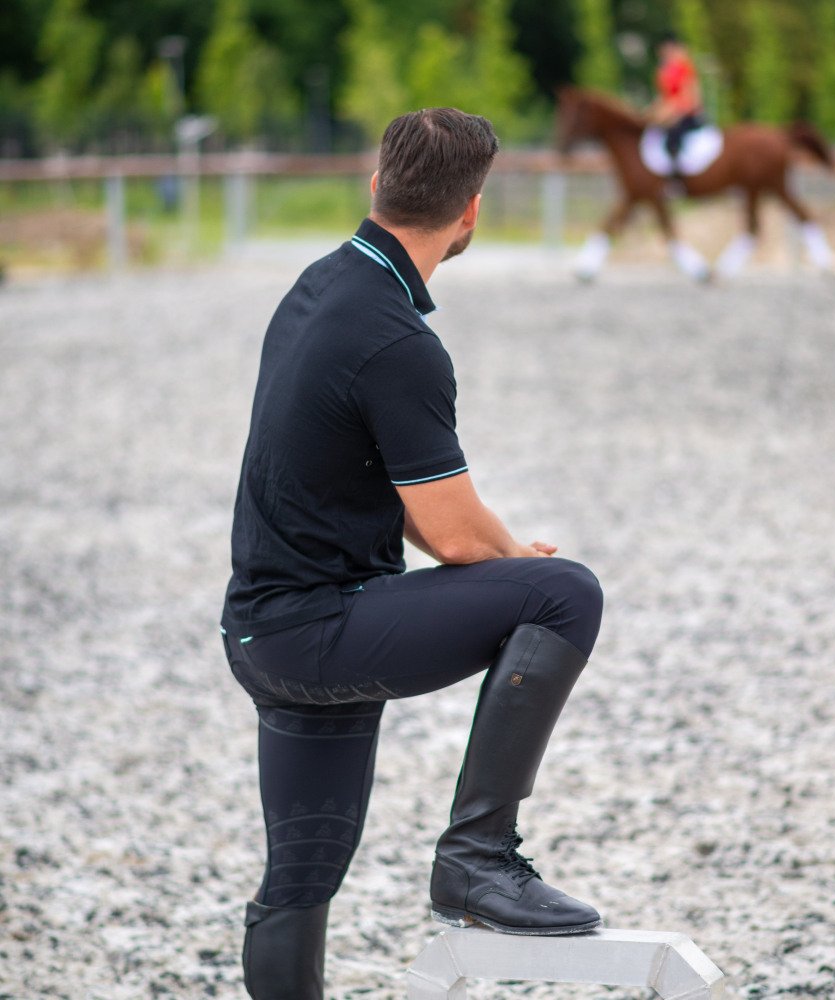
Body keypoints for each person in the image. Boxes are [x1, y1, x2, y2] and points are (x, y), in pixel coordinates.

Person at [219, 107, 604, 1000]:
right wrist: (515, 561)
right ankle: (477, 860)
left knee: (301, 876)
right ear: (472, 212)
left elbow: (423, 515)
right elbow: (459, 537)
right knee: (567, 596)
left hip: (263, 634)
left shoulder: (319, 287)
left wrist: (506, 553)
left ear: (374, 189)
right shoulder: (398, 340)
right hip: (322, 627)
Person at [649, 31, 706, 165]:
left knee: (673, 138)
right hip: (670, 112)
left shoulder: (685, 66)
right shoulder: (663, 71)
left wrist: (672, 110)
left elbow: (692, 97)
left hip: (686, 113)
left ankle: (678, 173)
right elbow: (663, 96)